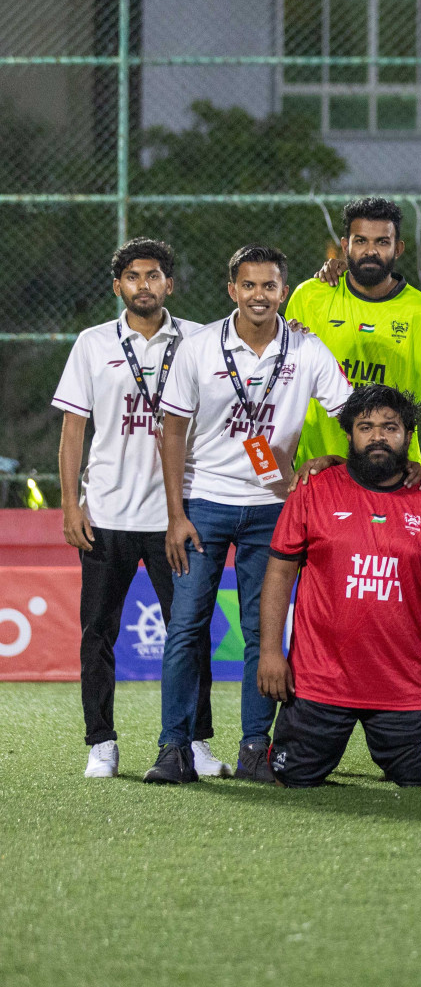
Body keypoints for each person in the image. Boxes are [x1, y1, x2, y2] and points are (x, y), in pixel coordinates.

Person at [145, 244, 353, 785]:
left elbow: (354, 414)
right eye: (249, 285)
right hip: (204, 503)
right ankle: (174, 749)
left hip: (274, 508)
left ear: (284, 291)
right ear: (231, 289)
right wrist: (175, 515)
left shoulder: (306, 349)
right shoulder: (198, 347)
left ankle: (255, 749)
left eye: (270, 286)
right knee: (186, 628)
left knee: (264, 631)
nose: (259, 296)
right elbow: (171, 430)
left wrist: (331, 461)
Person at [52, 238, 225, 779]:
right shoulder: (92, 342)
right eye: (133, 276)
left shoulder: (199, 340)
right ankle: (101, 742)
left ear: (169, 285)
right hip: (105, 514)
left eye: (154, 276)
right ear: (117, 286)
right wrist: (69, 504)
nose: (143, 285)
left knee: (189, 635)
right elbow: (73, 431)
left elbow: (242, 395)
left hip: (178, 516)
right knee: (97, 634)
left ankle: (194, 741)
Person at [256, 384, 421, 787]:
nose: (378, 437)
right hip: (319, 681)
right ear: (348, 435)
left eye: (390, 427)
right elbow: (279, 573)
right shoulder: (313, 489)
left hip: (400, 687)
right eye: (366, 427)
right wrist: (270, 653)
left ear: (408, 435)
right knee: (291, 778)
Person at [289, 196, 421, 476]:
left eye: (382, 242)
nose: (370, 251)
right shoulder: (309, 298)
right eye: (360, 241)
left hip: (394, 476)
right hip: (318, 473)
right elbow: (284, 388)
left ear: (398, 248)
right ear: (345, 246)